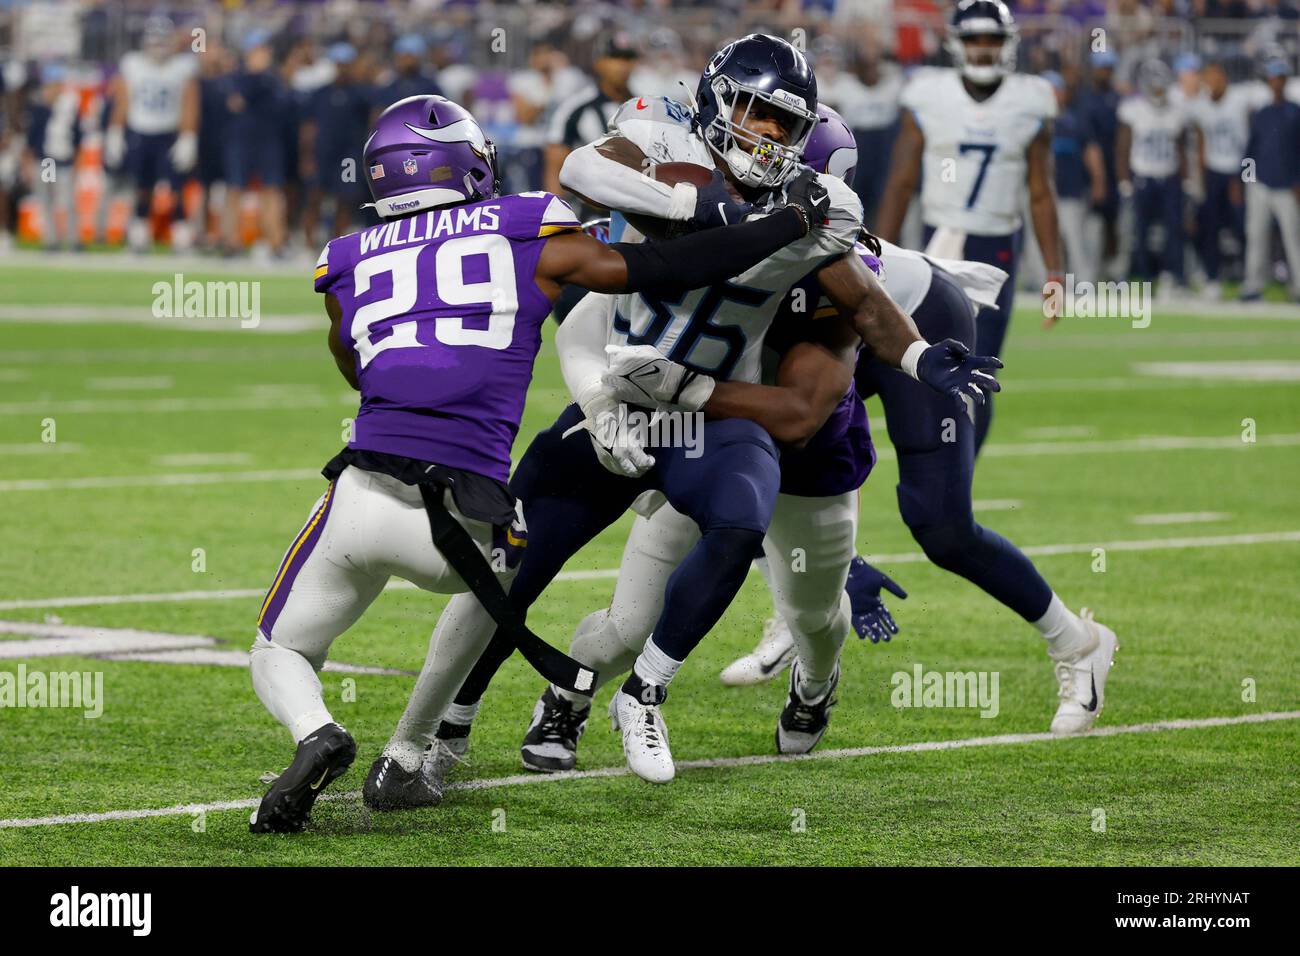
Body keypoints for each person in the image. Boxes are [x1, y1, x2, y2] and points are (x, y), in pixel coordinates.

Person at [407, 36, 1001, 792]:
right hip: (622, 389)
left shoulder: (819, 215)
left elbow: (852, 325)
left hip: (706, 409)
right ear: (719, 103)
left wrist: (917, 359)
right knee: (512, 567)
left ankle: (646, 693)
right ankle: (443, 729)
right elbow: (584, 180)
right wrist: (698, 209)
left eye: (788, 129)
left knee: (737, 524)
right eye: (757, 115)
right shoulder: (668, 150)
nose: (769, 139)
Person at [247, 93, 837, 832]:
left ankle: (317, 732)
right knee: (493, 582)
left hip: (368, 490)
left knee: (279, 647)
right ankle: (409, 750)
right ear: (462, 165)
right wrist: (788, 222)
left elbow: (358, 366)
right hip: (471, 520)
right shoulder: (523, 223)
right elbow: (663, 266)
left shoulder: (341, 259)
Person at [875, 0, 1063, 452]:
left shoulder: (1030, 99)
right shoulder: (928, 93)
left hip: (998, 243)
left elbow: (1041, 191)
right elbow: (901, 182)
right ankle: (936, 462)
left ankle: (961, 473)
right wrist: (878, 250)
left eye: (992, 39)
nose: (983, 49)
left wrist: (1054, 271)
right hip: (939, 241)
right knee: (928, 359)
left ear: (1008, 44)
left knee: (981, 365)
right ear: (957, 44)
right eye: (975, 39)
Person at [103, 16, 198, 252]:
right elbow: (123, 100)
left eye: (162, 42)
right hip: (140, 132)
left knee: (175, 188)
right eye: (154, 42)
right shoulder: (132, 64)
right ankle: (138, 234)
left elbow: (189, 102)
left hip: (168, 133)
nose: (158, 47)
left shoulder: (183, 66)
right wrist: (115, 132)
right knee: (141, 187)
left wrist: (188, 136)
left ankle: (181, 234)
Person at [1117, 59, 1190, 299]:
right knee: (1140, 232)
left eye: (1161, 86)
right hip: (1143, 178)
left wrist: (1186, 178)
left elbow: (1181, 147)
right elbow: (1123, 146)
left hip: (1169, 177)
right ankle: (1143, 279)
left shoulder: (1177, 110)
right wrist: (1124, 179)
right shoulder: (1133, 109)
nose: (1158, 90)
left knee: (1174, 230)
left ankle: (1173, 277)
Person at [1191, 59, 1252, 299]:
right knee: (1210, 226)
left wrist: (1245, 178)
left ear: (1224, 78)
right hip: (1214, 170)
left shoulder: (1239, 99)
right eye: (1208, 77)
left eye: (1216, 77)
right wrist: (1203, 177)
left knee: (1242, 226)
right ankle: (1212, 277)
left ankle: (1250, 276)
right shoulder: (1200, 106)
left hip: (1239, 169)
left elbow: (1250, 138)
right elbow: (1201, 142)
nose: (1212, 82)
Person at [1240, 58, 1300, 302]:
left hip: (1288, 186)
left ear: (1285, 80)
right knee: (1256, 237)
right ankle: (1253, 286)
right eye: (1272, 77)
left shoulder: (1295, 111)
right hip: (1260, 185)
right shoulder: (1261, 113)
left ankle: (1298, 287)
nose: (1276, 82)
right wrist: (1247, 182)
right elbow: (1250, 150)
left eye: (1280, 77)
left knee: (1293, 238)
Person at [1045, 69, 1106, 283]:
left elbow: (1092, 152)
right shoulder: (1032, 123)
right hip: (1041, 194)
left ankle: (1083, 283)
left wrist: (1098, 181)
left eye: (1055, 90)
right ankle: (1042, 283)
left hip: (1070, 191)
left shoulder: (1075, 121)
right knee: (1041, 242)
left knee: (1074, 240)